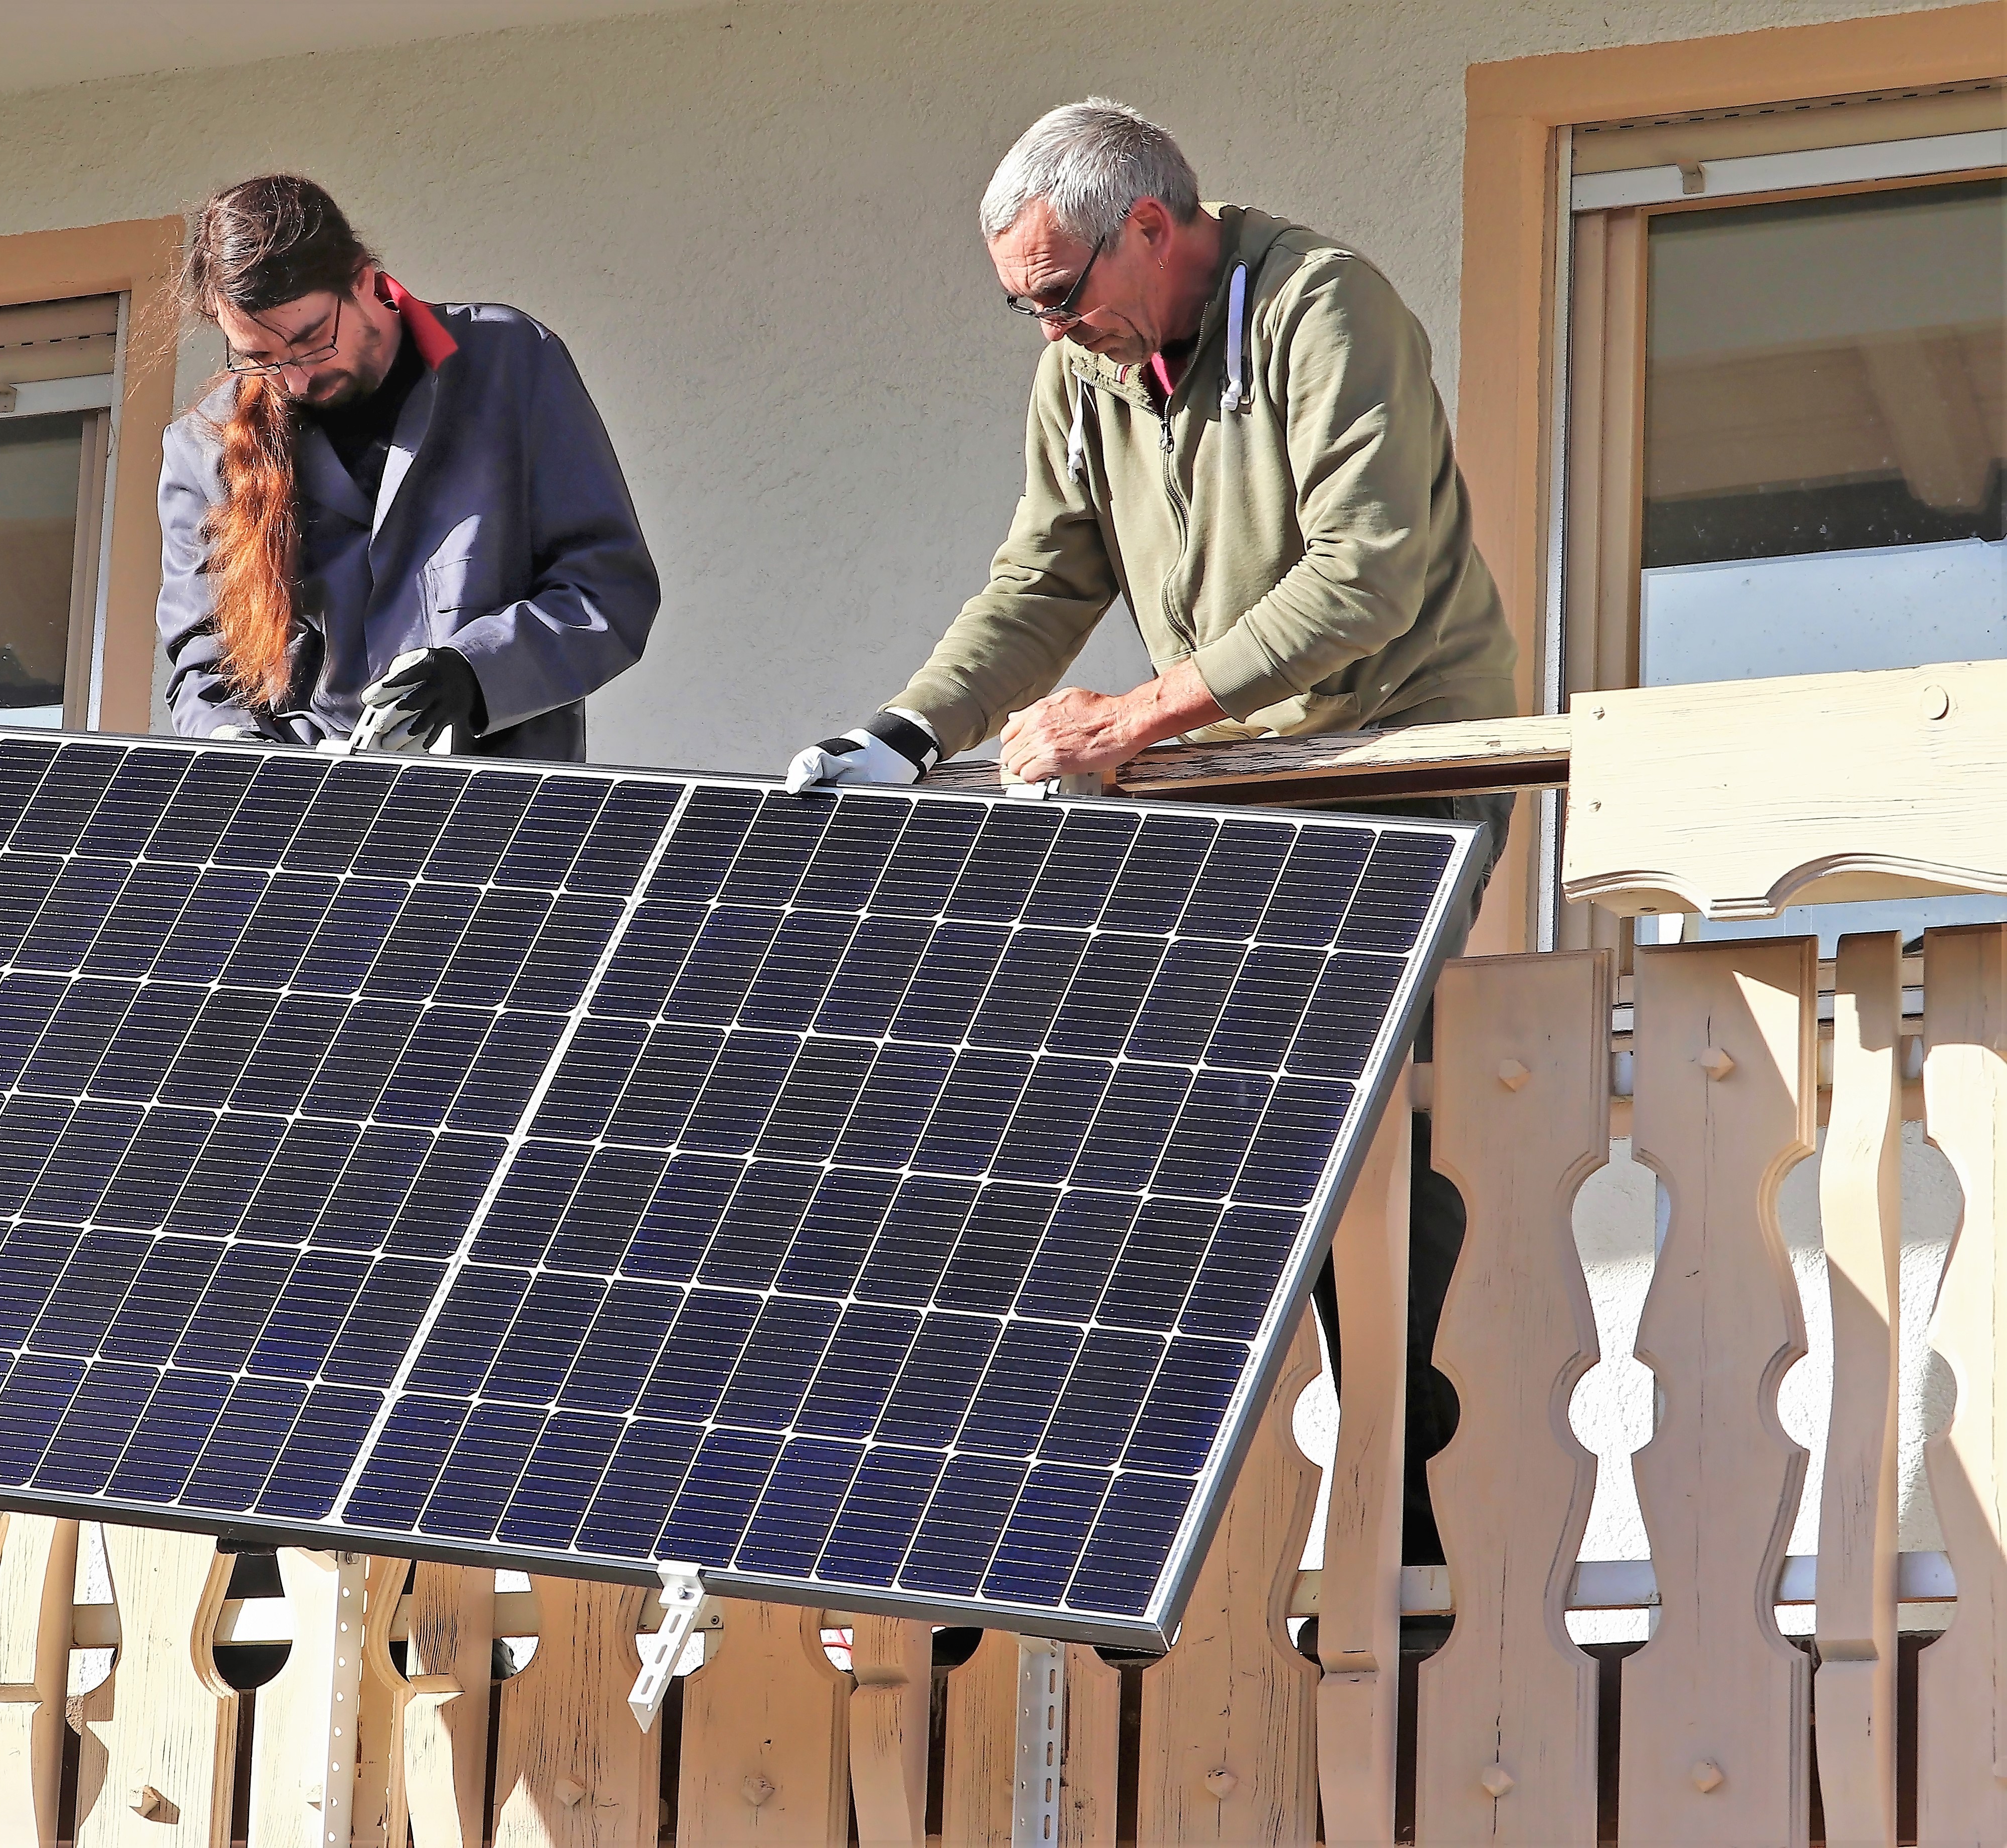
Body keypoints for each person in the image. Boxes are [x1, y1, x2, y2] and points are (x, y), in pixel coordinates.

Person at [787, 99, 1521, 1573]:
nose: (1050, 332)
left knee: (1361, 1100)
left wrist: (1132, 720)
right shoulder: (1083, 376)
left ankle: (1393, 1457)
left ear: (1152, 227)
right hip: (1227, 762)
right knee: (1159, 1090)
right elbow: (1040, 581)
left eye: (1060, 294)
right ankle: (1115, 1487)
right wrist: (900, 735)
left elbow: (1364, 579)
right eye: (1022, 307)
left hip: (1392, 743)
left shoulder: (1323, 307)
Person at [158, 174, 658, 761]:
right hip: (302, 820)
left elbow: (608, 587)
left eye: (314, 341)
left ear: (366, 281)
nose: (294, 381)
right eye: (260, 359)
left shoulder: (510, 361)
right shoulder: (202, 444)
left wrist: (474, 673)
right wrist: (229, 742)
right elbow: (206, 654)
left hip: (496, 820)